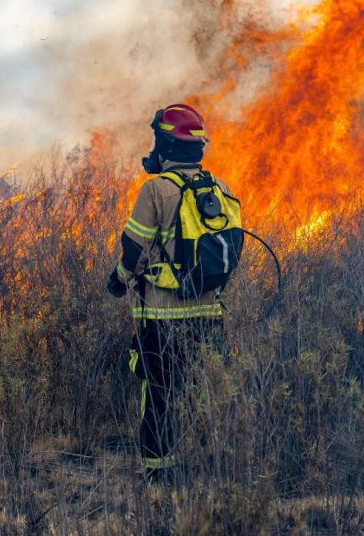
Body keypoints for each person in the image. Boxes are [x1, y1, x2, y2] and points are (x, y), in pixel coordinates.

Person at [106, 103, 241, 480]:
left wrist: (117, 279)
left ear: (164, 144)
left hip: (162, 319)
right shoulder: (220, 189)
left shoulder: (156, 190)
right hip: (210, 313)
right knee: (207, 394)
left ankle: (159, 475)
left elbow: (133, 250)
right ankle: (211, 468)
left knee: (160, 396)